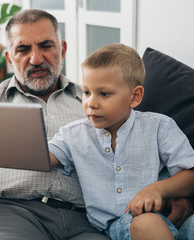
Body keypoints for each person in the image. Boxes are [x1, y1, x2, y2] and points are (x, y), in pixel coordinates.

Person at [0, 9, 193, 240]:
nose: (36, 58)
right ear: (10, 56)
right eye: (23, 49)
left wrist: (172, 192)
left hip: (86, 222)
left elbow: (141, 155)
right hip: (11, 212)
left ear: (62, 48)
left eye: (46, 46)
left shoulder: (103, 105)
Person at [48, 43, 194, 240]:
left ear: (135, 96)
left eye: (104, 94)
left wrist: (156, 190)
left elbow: (190, 174)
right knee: (146, 222)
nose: (91, 103)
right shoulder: (73, 134)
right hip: (124, 225)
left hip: (175, 218)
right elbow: (41, 156)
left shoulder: (160, 126)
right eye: (87, 92)